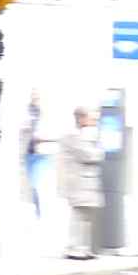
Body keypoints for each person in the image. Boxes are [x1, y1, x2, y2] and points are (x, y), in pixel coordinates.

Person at [58, 104, 107, 260]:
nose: (93, 121)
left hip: (85, 183)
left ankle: (83, 248)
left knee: (86, 217)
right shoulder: (72, 135)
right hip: (78, 182)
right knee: (78, 216)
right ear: (80, 118)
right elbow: (89, 155)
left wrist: (97, 151)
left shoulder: (80, 135)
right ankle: (74, 249)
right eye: (90, 117)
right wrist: (99, 152)